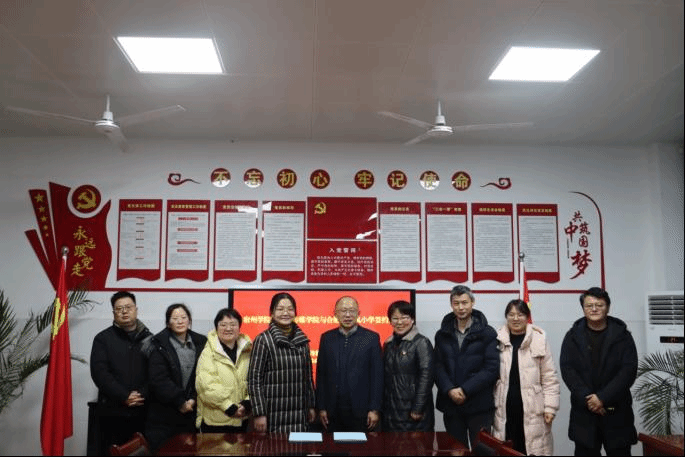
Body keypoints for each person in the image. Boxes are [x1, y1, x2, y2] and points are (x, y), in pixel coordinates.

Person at [560, 287, 638, 456]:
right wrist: (589, 399)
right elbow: (568, 370)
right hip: (585, 412)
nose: (594, 309)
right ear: (583, 309)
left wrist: (602, 398)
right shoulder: (572, 336)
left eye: (599, 305)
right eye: (589, 305)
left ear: (608, 307)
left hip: (617, 411)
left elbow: (628, 370)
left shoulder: (623, 336)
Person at [434, 285, 499, 449]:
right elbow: (437, 366)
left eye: (464, 302)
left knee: (483, 451)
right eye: (456, 303)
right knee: (455, 450)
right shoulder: (442, 334)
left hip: (479, 404)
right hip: (451, 405)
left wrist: (465, 390)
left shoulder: (487, 333)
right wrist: (450, 389)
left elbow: (491, 368)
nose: (461, 307)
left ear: (472, 303)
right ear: (451, 304)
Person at [492, 299, 560, 455]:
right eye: (511, 315)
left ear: (527, 317)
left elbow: (549, 378)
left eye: (520, 315)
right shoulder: (498, 339)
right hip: (504, 409)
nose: (515, 319)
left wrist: (550, 408)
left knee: (530, 448)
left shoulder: (539, 339)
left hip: (532, 409)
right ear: (506, 317)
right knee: (506, 448)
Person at [90, 290, 153, 451]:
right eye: (119, 309)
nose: (124, 312)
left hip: (143, 412)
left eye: (128, 307)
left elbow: (156, 373)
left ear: (136, 310)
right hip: (113, 413)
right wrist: (124, 395)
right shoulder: (102, 339)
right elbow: (100, 373)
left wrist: (141, 395)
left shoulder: (150, 339)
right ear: (113, 313)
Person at [248, 292, 316, 432]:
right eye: (280, 309)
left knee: (298, 445)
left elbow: (308, 377)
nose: (286, 313)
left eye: (290, 309)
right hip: (273, 414)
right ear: (272, 313)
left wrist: (311, 405)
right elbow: (254, 379)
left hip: (299, 413)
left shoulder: (303, 340)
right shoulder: (263, 340)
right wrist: (259, 413)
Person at [316, 295, 384, 432]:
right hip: (332, 410)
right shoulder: (327, 338)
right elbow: (321, 375)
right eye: (343, 311)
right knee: (332, 444)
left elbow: (377, 377)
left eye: (352, 311)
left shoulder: (371, 338)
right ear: (335, 313)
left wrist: (374, 409)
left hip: (361, 410)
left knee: (361, 445)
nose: (348, 315)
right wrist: (321, 407)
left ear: (359, 313)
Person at [145, 303, 207, 451]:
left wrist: (193, 399)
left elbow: (204, 375)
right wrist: (180, 401)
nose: (180, 321)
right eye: (175, 318)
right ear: (168, 323)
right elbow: (159, 379)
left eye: (184, 317)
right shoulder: (158, 344)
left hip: (190, 412)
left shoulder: (201, 342)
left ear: (189, 320)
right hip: (164, 414)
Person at [196, 308, 252, 433]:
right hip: (216, 422)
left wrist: (248, 402)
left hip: (242, 419)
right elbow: (206, 386)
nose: (228, 328)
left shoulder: (248, 351)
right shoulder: (208, 353)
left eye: (233, 324)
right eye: (223, 325)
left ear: (239, 327)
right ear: (216, 328)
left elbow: (255, 381)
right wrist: (229, 406)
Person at [382, 300, 434, 431]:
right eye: (395, 318)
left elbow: (426, 376)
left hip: (413, 412)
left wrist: (418, 407)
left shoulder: (421, 342)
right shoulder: (388, 344)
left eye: (404, 317)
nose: (399, 322)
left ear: (412, 319)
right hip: (391, 411)